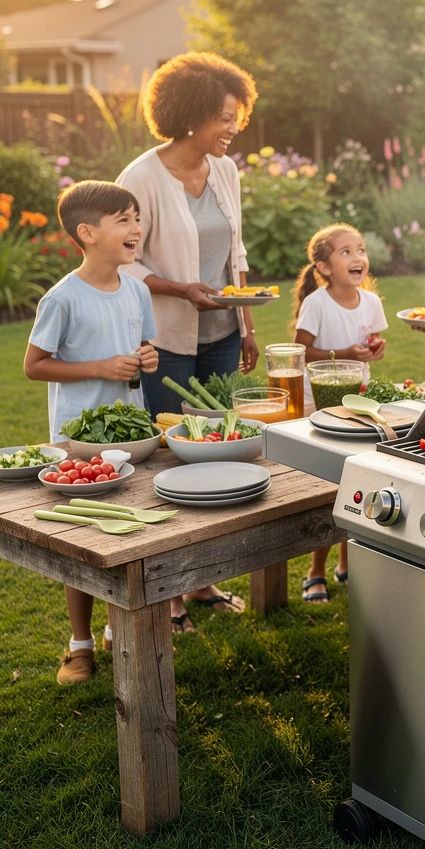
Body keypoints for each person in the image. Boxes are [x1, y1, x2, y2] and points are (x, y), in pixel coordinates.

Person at [117, 52, 257, 632]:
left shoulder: (224, 170)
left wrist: (247, 324)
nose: (233, 129)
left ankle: (200, 581)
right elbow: (126, 262)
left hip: (222, 333)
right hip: (166, 334)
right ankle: (167, 593)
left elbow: (236, 254)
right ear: (190, 113)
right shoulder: (140, 178)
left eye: (236, 117)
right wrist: (182, 290)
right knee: (170, 456)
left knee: (213, 448)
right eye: (224, 118)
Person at [23, 180, 159, 684]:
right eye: (123, 219)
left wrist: (146, 357)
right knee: (82, 534)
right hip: (77, 439)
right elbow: (35, 365)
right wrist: (102, 367)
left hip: (131, 431)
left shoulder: (138, 289)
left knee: (125, 526)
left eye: (136, 217)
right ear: (89, 232)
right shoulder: (64, 298)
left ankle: (112, 628)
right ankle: (80, 643)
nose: (136, 228)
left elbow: (143, 349)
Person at [293, 223, 387, 603]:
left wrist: (372, 351)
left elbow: (373, 345)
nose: (358, 257)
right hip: (322, 404)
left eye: (360, 249)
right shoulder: (316, 303)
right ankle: (316, 569)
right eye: (346, 251)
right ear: (325, 267)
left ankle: (347, 563)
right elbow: (301, 353)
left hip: (358, 403)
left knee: (357, 480)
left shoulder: (372, 302)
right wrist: (346, 353)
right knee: (329, 485)